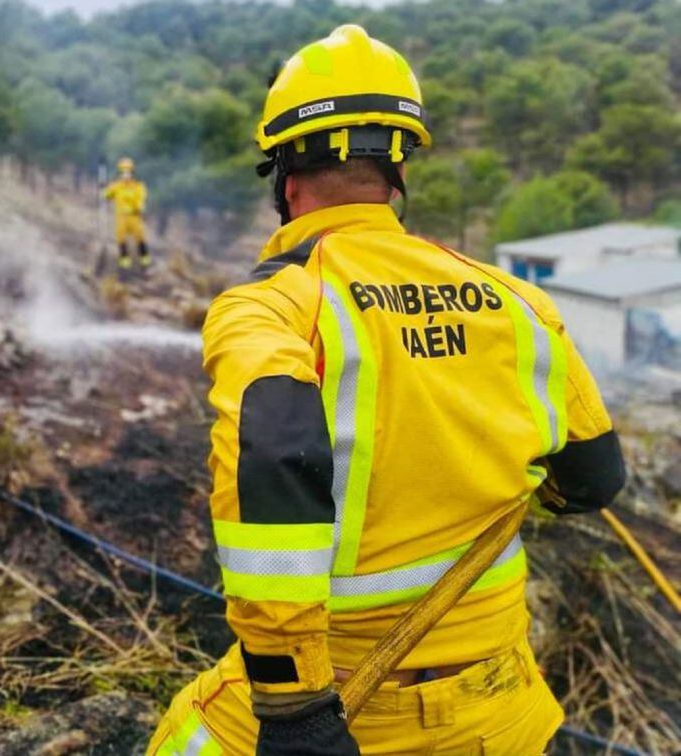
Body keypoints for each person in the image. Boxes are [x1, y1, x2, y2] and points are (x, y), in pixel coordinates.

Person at [148, 24, 625, 756]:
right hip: (501, 707)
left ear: (286, 179)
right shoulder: (515, 300)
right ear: (396, 172)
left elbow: (273, 460)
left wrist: (294, 706)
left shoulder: (270, 306)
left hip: (348, 699)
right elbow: (595, 477)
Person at [104, 157, 151, 271]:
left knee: (140, 236)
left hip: (134, 216)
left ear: (132, 173)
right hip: (121, 217)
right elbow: (106, 195)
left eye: (128, 172)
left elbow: (141, 199)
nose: (126, 175)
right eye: (123, 172)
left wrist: (139, 207)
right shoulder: (116, 186)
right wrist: (105, 188)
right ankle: (124, 261)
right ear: (120, 173)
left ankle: (145, 260)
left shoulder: (138, 186)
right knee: (121, 237)